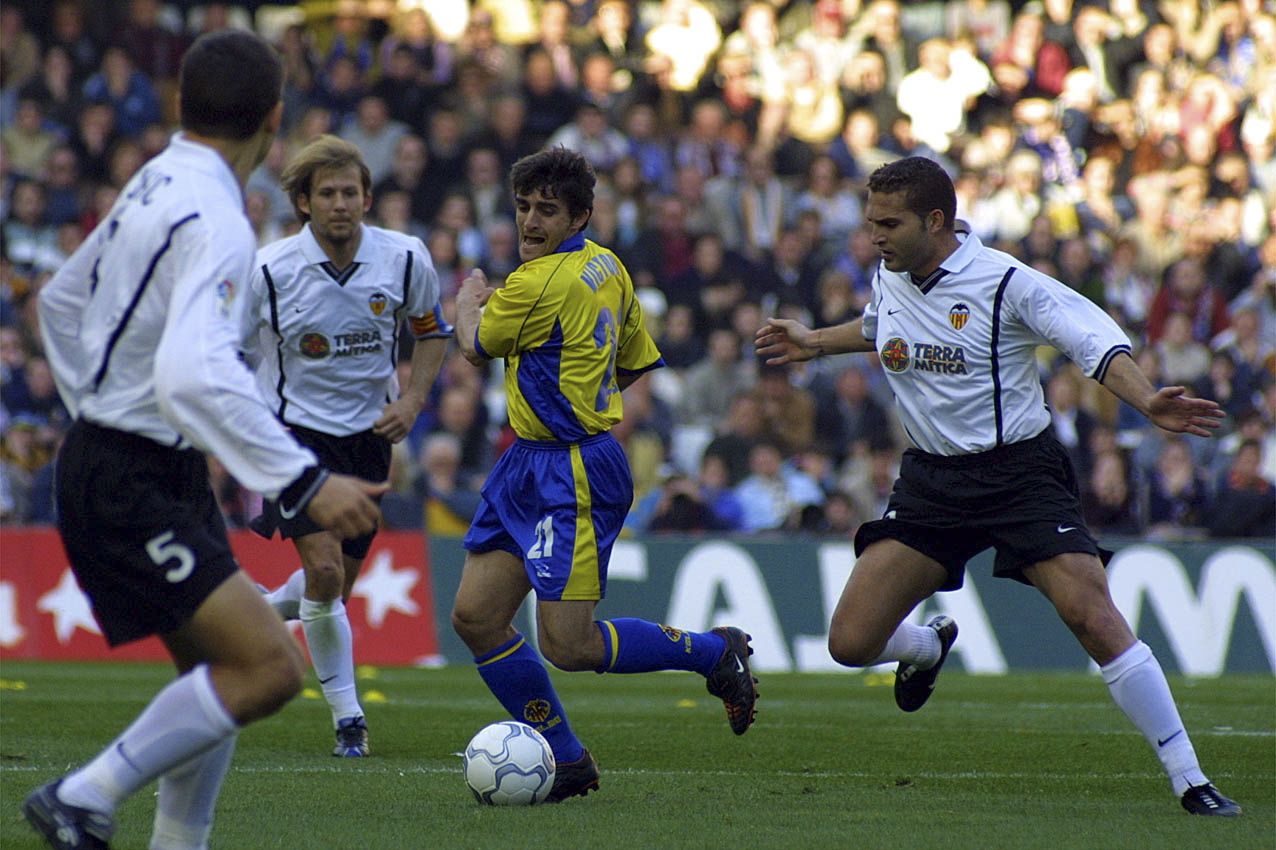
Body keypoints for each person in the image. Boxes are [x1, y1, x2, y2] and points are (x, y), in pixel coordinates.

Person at [755, 156, 1240, 817]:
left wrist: (1148, 400)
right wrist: (815, 341)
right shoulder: (893, 273)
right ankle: (926, 645)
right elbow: (883, 328)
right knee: (850, 643)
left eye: (888, 223)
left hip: (1019, 475)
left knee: (1091, 617)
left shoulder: (1006, 281)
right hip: (932, 479)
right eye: (870, 222)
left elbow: (1089, 339)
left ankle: (1190, 778)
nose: (875, 236)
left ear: (935, 221)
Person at [24, 30, 385, 850]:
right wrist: (302, 481)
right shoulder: (221, 219)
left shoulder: (155, 177)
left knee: (215, 675)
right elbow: (193, 372)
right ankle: (83, 796)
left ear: (181, 104)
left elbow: (59, 302)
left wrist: (102, 400)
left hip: (130, 456)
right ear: (275, 117)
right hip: (132, 471)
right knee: (267, 670)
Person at [451, 146, 759, 803]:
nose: (531, 221)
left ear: (579, 216)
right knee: (477, 617)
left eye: (548, 211)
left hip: (572, 471)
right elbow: (636, 361)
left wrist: (468, 301)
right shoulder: (608, 267)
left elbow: (473, 345)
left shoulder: (535, 284)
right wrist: (581, 389)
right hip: (528, 463)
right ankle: (567, 759)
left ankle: (714, 652)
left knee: (569, 643)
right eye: (524, 207)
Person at [245, 135, 451, 757]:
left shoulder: (407, 258)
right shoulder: (269, 270)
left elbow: (431, 331)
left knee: (329, 587)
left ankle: (243, 610)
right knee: (326, 574)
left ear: (367, 197)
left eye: (350, 192)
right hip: (292, 436)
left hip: (367, 440)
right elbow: (224, 348)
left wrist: (411, 403)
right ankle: (349, 720)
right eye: (327, 193)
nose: (341, 204)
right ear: (303, 202)